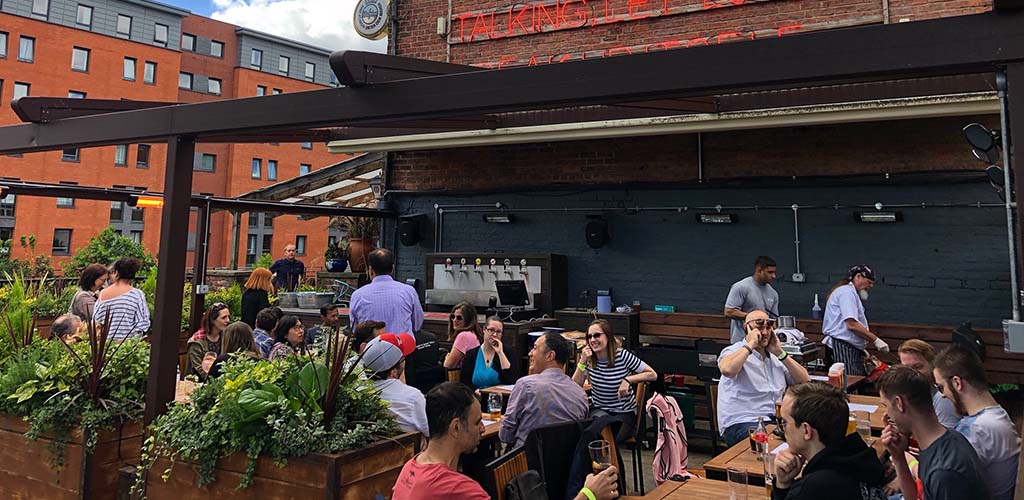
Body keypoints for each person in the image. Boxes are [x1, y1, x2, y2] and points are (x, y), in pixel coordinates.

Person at [393, 382, 620, 500]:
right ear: (455, 427)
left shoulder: (409, 470)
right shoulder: (460, 490)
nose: (482, 428)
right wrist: (589, 493)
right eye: (476, 422)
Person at [879, 365, 991, 500]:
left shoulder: (944, 473)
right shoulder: (943, 438)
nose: (887, 414)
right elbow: (916, 497)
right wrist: (898, 457)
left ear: (899, 403)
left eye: (886, 406)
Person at [772, 381, 887, 500]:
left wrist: (782, 487)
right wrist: (783, 484)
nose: (782, 429)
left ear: (806, 430)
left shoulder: (811, 489)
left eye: (784, 423)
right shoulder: (861, 459)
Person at [933, 345, 1020, 500]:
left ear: (957, 383)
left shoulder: (978, 429)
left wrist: (909, 463)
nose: (943, 395)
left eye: (941, 387)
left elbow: (942, 485)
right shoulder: (996, 416)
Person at [717, 310, 811, 446]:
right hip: (742, 421)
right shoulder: (734, 351)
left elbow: (805, 381)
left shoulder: (776, 356)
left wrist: (780, 353)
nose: (765, 332)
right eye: (759, 327)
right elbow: (727, 370)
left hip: (775, 420)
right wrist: (750, 345)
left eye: (768, 327)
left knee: (809, 436)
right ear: (747, 328)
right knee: (772, 445)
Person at [572, 319, 658, 442]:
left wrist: (627, 380)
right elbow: (574, 387)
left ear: (608, 336)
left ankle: (602, 459)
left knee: (602, 436)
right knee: (593, 431)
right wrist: (582, 361)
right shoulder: (589, 360)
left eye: (597, 335)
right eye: (589, 337)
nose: (592, 340)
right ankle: (600, 460)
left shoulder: (622, 356)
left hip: (623, 412)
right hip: (599, 410)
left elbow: (652, 374)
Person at [500, 331, 589, 448]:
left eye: (535, 348)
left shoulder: (526, 385)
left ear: (550, 355)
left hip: (525, 461)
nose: (530, 353)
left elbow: (506, 436)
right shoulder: (580, 394)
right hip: (566, 463)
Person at [822, 265, 889, 376]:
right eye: (869, 282)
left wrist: (861, 347)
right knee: (849, 383)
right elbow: (851, 324)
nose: (871, 286)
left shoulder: (847, 292)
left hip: (849, 347)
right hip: (842, 346)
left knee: (854, 381)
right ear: (858, 276)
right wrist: (875, 340)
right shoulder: (847, 293)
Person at [361, 333, 429, 436]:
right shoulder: (413, 397)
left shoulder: (360, 394)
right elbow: (429, 432)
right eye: (403, 359)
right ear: (393, 371)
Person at [348, 248, 424, 335]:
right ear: (392, 268)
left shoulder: (358, 295)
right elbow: (417, 324)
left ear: (371, 270)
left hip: (371, 346)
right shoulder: (408, 291)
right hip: (402, 346)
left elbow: (355, 329)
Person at [897, 339, 960, 428]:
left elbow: (946, 439)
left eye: (918, 367)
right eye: (906, 368)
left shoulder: (943, 397)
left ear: (932, 365)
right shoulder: (913, 391)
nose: (912, 373)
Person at [724, 256, 780, 343]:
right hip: (742, 342)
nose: (773, 276)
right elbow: (729, 311)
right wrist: (754, 317)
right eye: (770, 272)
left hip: (762, 344)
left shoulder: (773, 294)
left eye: (774, 272)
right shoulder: (741, 287)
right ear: (759, 271)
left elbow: (773, 321)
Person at [93, 257, 151, 340]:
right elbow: (143, 322)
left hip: (104, 345)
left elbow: (96, 320)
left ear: (116, 272)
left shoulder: (103, 293)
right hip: (127, 346)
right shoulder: (137, 295)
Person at [460, 316, 514, 390]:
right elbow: (464, 382)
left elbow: (511, 381)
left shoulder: (508, 353)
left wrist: (500, 353)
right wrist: (474, 391)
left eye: (498, 331)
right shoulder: (471, 354)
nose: (495, 334)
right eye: (491, 330)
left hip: (499, 397)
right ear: (484, 330)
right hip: (476, 397)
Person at [186, 302, 230, 380]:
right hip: (198, 384)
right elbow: (200, 370)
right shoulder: (196, 342)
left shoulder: (226, 337)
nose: (228, 320)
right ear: (213, 320)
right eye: (224, 318)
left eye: (228, 317)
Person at [442, 302, 484, 369]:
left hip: (463, 377)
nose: (455, 320)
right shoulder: (472, 334)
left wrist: (447, 358)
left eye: (459, 318)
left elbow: (448, 365)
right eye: (453, 316)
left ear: (468, 320)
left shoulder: (463, 336)